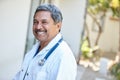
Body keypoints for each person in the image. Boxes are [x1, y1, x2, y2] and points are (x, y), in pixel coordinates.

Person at [13, 3, 77, 80]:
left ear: (58, 26)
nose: (38, 27)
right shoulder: (34, 49)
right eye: (35, 22)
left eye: (44, 22)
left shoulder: (64, 56)